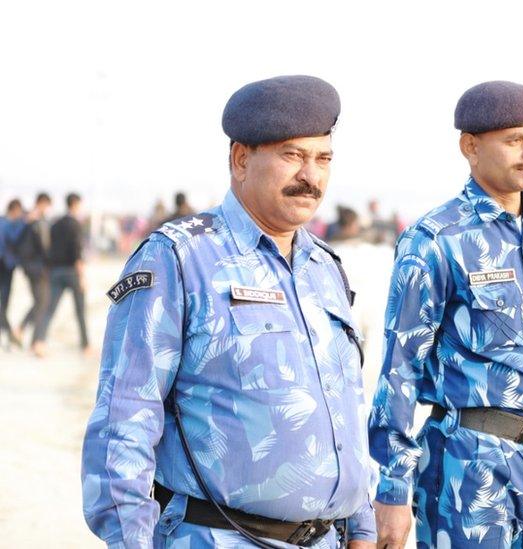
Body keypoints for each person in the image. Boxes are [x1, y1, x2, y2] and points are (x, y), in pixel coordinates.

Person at [81, 75, 376, 548]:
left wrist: (361, 526)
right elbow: (125, 419)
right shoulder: (178, 258)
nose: (311, 176)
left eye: (323, 158)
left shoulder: (326, 268)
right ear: (241, 159)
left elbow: (342, 407)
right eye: (292, 155)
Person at [369, 81, 523, 548]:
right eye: (514, 140)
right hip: (469, 464)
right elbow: (399, 368)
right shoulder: (435, 239)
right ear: (470, 147)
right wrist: (392, 488)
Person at [31, 192, 90, 357]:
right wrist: (82, 276)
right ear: (76, 204)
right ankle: (85, 345)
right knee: (80, 310)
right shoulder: (75, 225)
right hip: (72, 271)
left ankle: (39, 343)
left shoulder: (55, 224)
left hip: (55, 271)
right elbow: (77, 252)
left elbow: (49, 247)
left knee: (49, 309)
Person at [13, 192, 52, 343]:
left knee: (39, 301)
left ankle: (21, 329)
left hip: (28, 267)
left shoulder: (27, 219)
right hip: (37, 268)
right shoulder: (36, 221)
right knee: (42, 302)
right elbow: (44, 246)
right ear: (42, 203)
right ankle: (33, 339)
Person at [0, 199, 26, 349]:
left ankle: (7, 333)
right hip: (6, 264)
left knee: (5, 301)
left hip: (7, 265)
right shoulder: (11, 225)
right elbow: (15, 238)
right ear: (15, 210)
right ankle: (9, 333)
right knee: (4, 301)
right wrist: (25, 222)